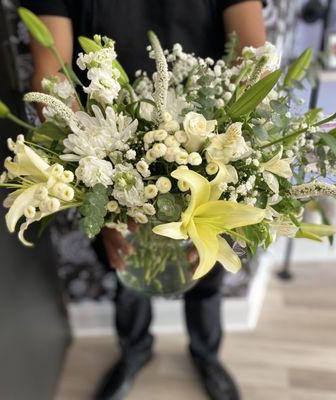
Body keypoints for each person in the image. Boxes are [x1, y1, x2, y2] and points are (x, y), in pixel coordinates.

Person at [22, 1, 266, 399]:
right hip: (108, 153)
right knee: (128, 270)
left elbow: (254, 60)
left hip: (209, 148)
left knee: (204, 270)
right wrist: (92, 170)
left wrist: (234, 158)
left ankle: (206, 354)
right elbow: (51, 74)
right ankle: (135, 351)